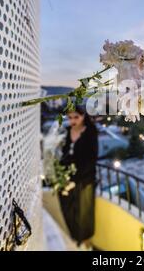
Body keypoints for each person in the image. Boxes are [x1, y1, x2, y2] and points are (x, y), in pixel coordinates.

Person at [58, 105, 98, 249]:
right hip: (67, 178)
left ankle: (84, 239)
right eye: (70, 117)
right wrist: (62, 173)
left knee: (83, 212)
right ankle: (74, 235)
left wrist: (75, 179)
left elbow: (91, 159)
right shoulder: (67, 131)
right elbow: (64, 154)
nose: (73, 120)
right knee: (68, 208)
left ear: (83, 116)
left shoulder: (90, 132)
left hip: (84, 180)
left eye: (76, 117)